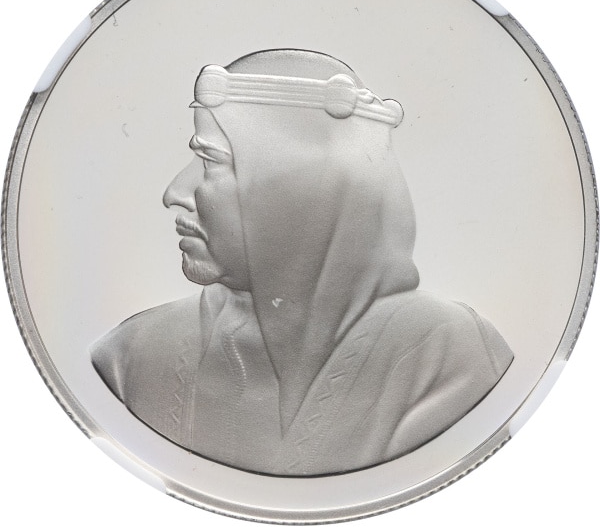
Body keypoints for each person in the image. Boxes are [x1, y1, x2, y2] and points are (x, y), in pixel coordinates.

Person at [91, 49, 513, 475]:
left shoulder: (445, 354)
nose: (175, 193)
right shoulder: (133, 354)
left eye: (211, 161)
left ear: (302, 186)